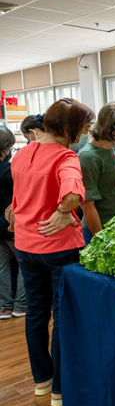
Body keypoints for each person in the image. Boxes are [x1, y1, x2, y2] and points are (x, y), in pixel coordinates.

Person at [11, 97, 95, 406]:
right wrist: (63, 211)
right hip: (59, 247)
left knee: (35, 313)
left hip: (26, 245)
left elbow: (20, 196)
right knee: (62, 317)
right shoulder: (65, 158)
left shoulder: (21, 154)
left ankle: (42, 381)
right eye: (84, 128)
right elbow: (73, 194)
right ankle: (61, 388)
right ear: (70, 129)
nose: (86, 133)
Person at [79, 103, 115, 244]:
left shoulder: (111, 148)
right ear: (113, 129)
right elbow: (87, 205)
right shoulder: (89, 156)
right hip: (103, 231)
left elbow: (112, 179)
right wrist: (101, 241)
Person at [0, 126, 26, 319]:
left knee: (2, 268)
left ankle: (4, 307)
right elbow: (22, 193)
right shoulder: (7, 169)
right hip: (11, 225)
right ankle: (21, 305)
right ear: (6, 148)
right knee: (24, 264)